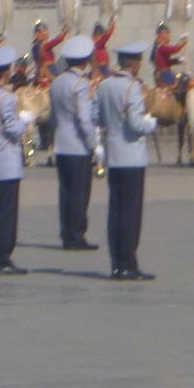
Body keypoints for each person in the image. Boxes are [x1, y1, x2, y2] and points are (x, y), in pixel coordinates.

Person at [97, 40, 159, 280]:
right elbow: (135, 124)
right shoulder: (132, 87)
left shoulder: (104, 85)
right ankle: (129, 264)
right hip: (132, 157)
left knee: (116, 212)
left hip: (114, 156)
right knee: (131, 214)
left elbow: (97, 117)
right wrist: (150, 124)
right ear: (134, 64)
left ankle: (116, 262)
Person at [0, 47, 32, 276]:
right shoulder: (6, 97)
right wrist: (25, 121)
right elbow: (12, 128)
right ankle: (2, 257)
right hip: (7, 161)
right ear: (5, 73)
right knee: (6, 213)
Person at [48, 37, 99, 251]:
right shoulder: (80, 84)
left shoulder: (57, 81)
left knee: (66, 192)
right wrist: (94, 145)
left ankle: (66, 233)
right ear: (85, 60)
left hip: (61, 144)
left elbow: (53, 117)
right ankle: (76, 235)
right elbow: (85, 121)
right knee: (80, 193)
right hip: (78, 146)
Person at [151, 24, 190, 105]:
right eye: (167, 34)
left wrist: (177, 61)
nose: (169, 36)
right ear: (163, 35)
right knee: (184, 81)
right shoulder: (161, 47)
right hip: (165, 75)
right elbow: (175, 49)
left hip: (164, 73)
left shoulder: (158, 47)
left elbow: (167, 62)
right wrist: (183, 41)